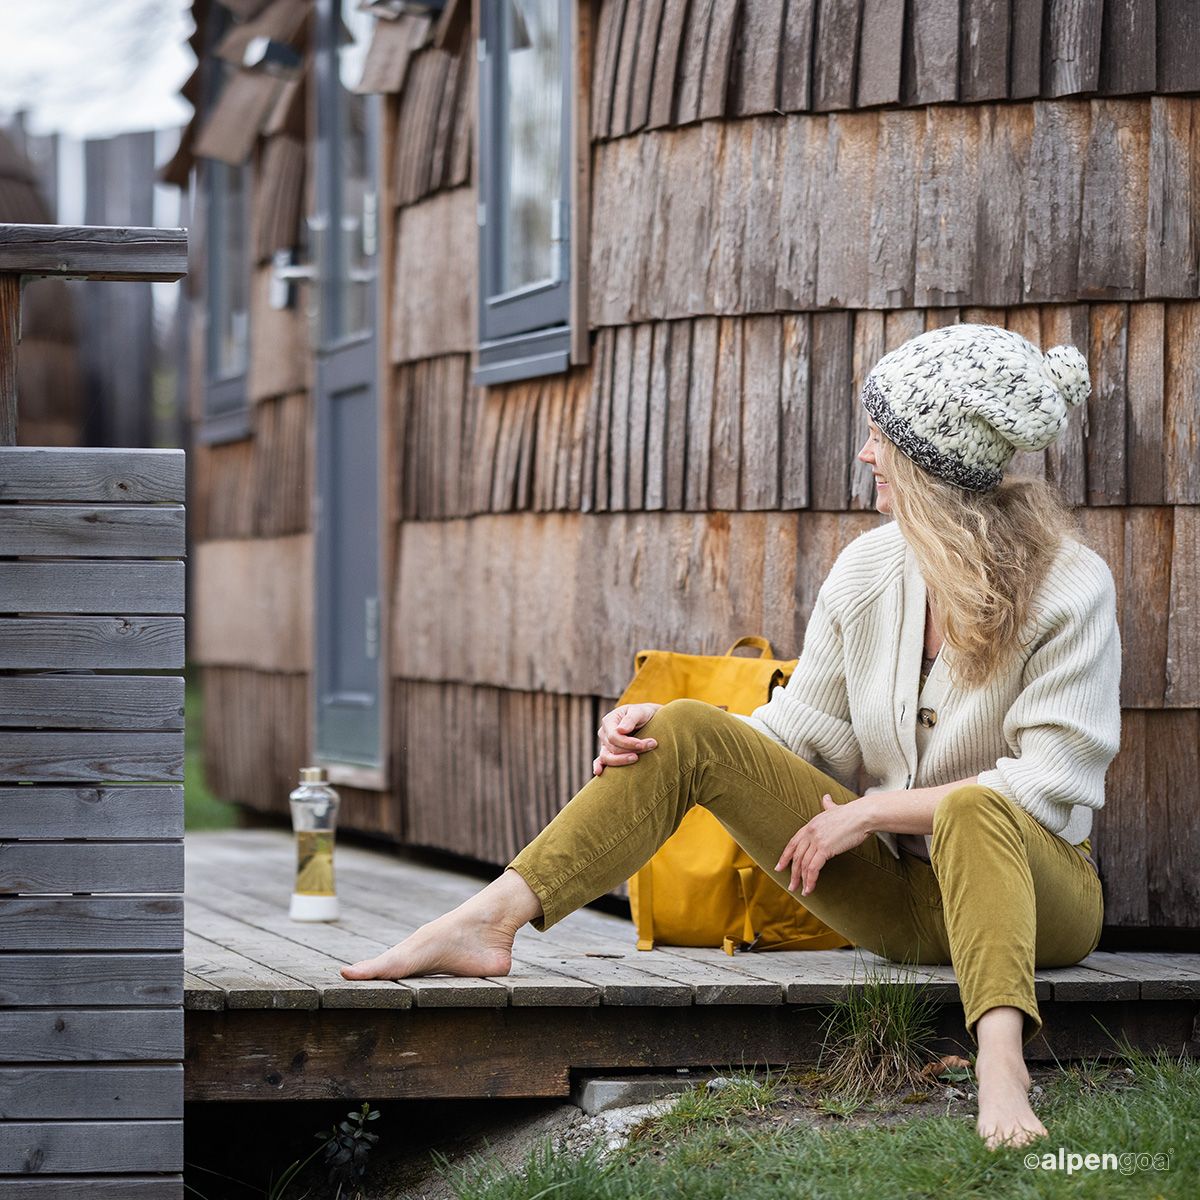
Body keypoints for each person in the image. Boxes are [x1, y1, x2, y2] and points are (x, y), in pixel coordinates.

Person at [342, 323, 1121, 1151]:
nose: (864, 455)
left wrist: (865, 816)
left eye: (881, 438)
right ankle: (488, 921)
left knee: (973, 809)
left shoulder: (1070, 587)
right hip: (900, 903)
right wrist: (682, 739)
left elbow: (1048, 783)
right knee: (681, 726)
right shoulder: (866, 572)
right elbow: (800, 734)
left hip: (1041, 901)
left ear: (934, 463)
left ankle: (1002, 1066)